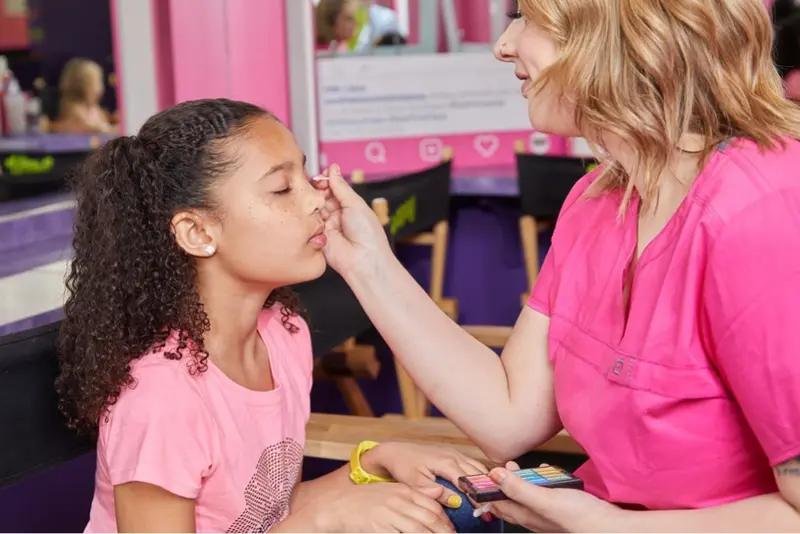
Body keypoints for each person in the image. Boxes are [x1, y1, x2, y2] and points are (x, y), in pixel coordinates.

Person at [313, 0, 800, 530]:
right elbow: (508, 414)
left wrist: (609, 526)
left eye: (526, 18)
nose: (504, 46)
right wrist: (368, 265)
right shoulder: (596, 200)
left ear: (616, 31)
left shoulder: (766, 209)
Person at [55, 99, 487, 533]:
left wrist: (373, 463)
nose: (317, 199)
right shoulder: (162, 396)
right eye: (282, 189)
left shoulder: (284, 334)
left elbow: (265, 510)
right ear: (198, 232)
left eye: (306, 175)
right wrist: (322, 522)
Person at [51, 58, 116, 134]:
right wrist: (103, 128)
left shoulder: (94, 108)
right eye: (96, 83)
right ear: (81, 86)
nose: (101, 88)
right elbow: (85, 127)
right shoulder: (74, 109)